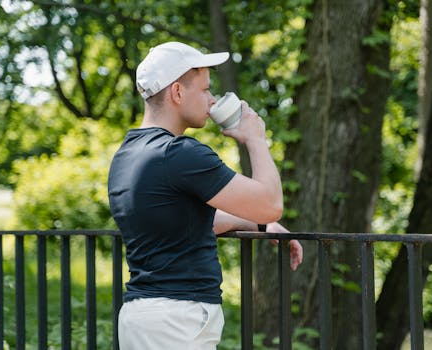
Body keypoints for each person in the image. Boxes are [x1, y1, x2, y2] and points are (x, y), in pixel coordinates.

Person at [108, 41, 303, 350]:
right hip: (175, 322)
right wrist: (255, 140)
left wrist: (261, 226)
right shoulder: (179, 153)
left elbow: (184, 222)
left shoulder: (129, 154)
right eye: (205, 89)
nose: (212, 100)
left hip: (148, 316)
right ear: (177, 92)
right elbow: (270, 204)